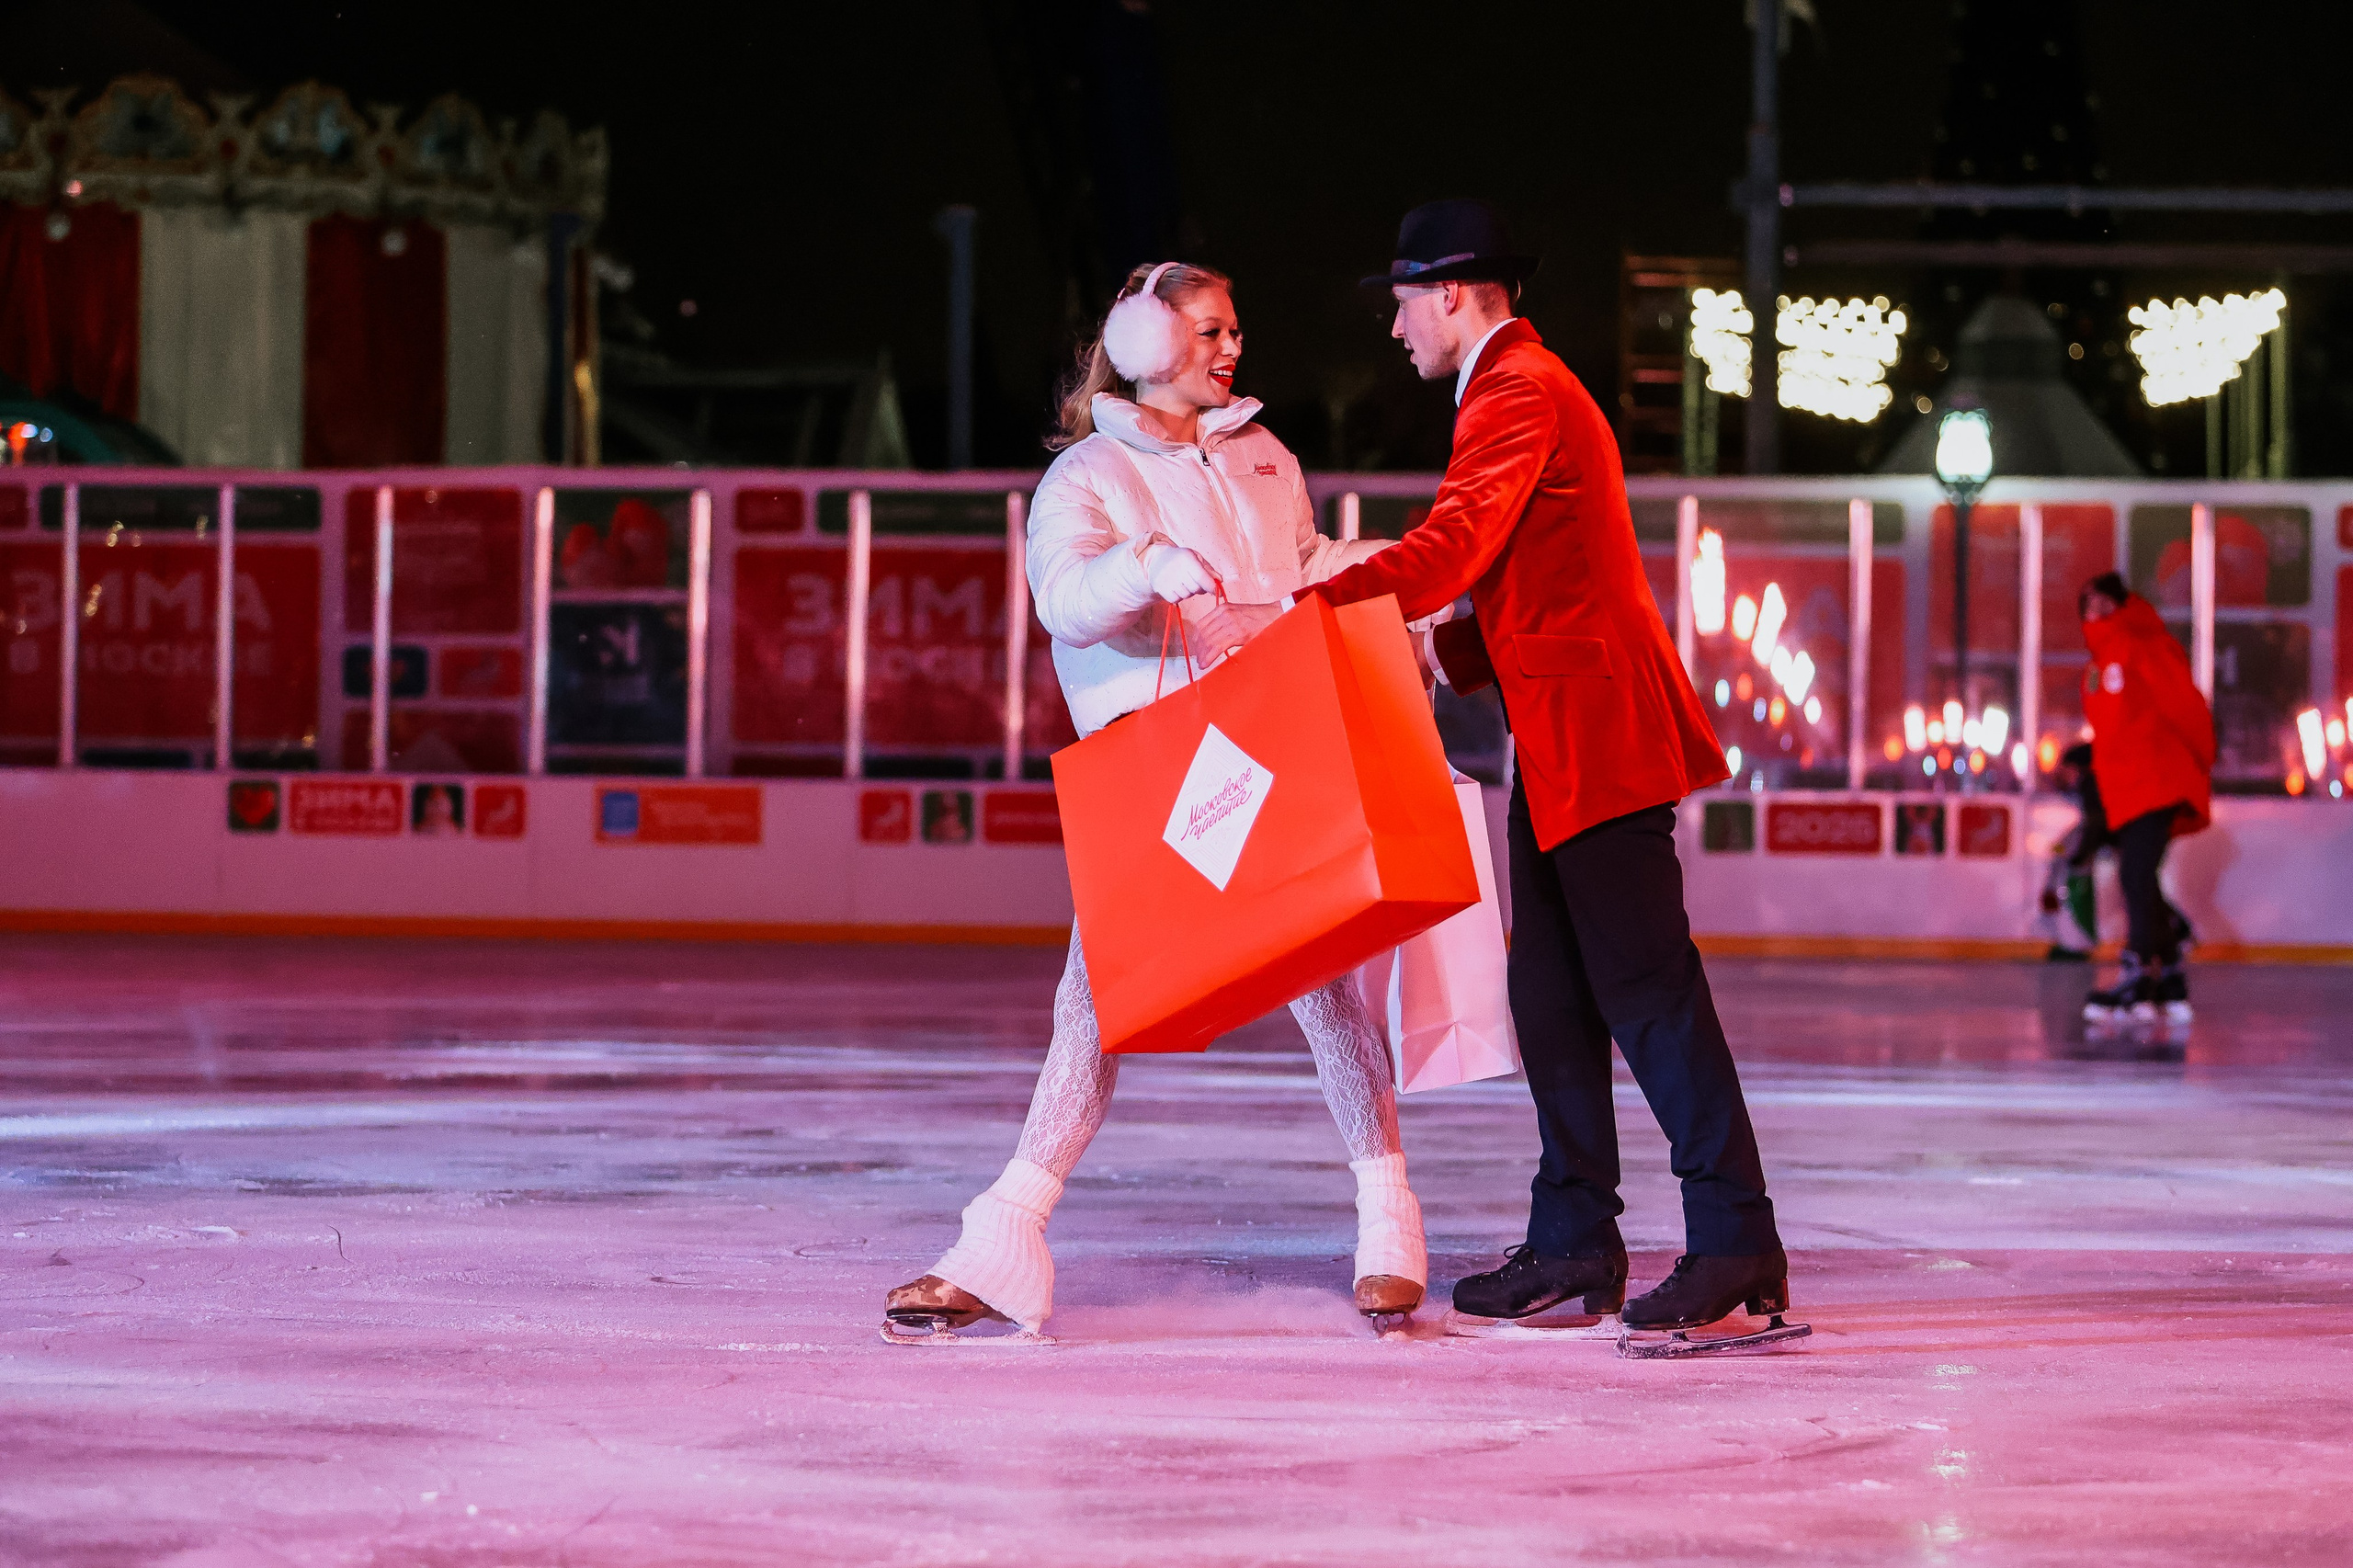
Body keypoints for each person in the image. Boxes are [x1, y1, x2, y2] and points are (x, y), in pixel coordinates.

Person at [883, 261, 1424, 1341]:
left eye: (1235, 329)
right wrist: (1151, 562)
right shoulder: (1087, 474)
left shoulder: (1264, 455)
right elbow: (1065, 598)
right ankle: (1006, 1235)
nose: (1233, 347)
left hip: (1272, 745)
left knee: (1320, 984)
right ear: (1145, 342)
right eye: (1211, 330)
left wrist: (1405, 567)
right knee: (1097, 1003)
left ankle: (1387, 1225)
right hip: (1167, 771)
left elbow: (1303, 565)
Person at [1304, 199, 1795, 1353]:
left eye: (1401, 303)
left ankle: (1733, 1234)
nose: (1395, 328)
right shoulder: (1517, 386)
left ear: (1451, 293)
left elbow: (1454, 548)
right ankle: (1576, 1233)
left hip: (1598, 735)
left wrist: (1306, 607)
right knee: (1553, 997)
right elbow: (1539, 579)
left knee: (1647, 990)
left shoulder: (1515, 388)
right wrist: (1441, 653)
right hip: (1561, 737)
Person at [2075, 572, 2213, 1026]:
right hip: (2127, 788)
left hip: (2156, 780)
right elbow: (2112, 733)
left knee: (2135, 874)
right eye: (2089, 606)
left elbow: (2183, 705)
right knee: (2138, 876)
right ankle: (2168, 972)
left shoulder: (2144, 646)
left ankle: (2140, 970)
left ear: (2122, 605)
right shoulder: (2097, 666)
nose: (2096, 613)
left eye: (2104, 604)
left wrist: (2199, 760)